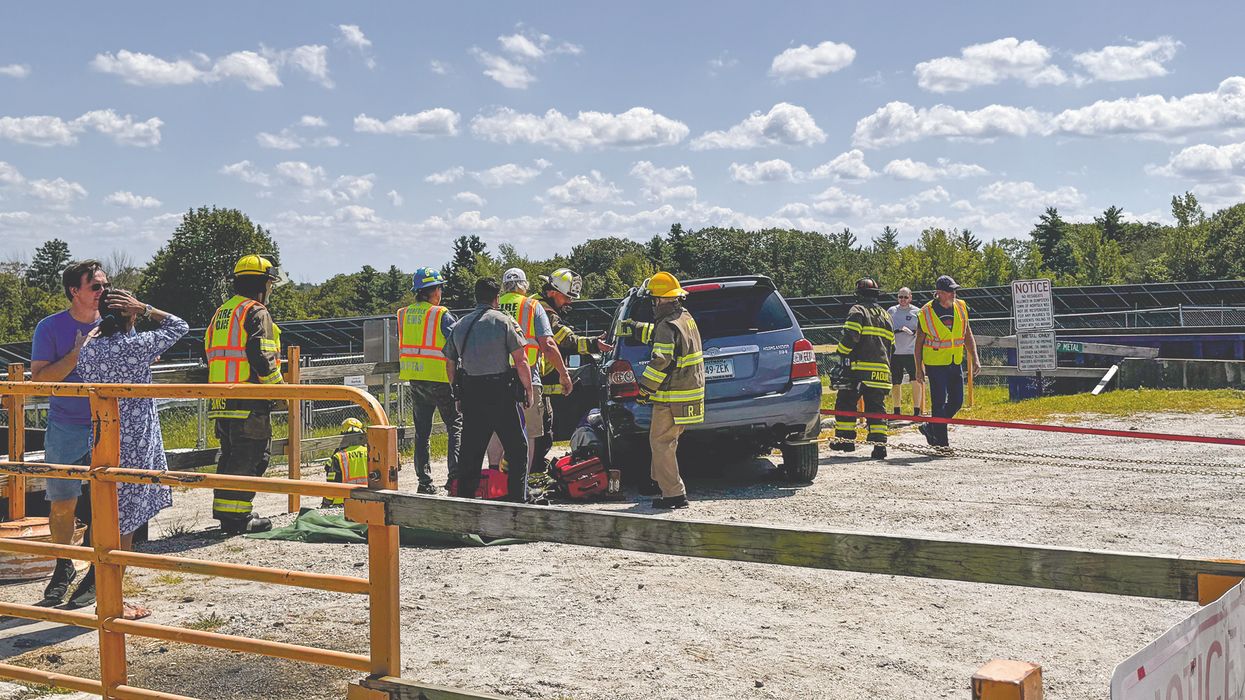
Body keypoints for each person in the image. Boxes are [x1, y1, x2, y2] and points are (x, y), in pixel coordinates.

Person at [77, 289, 188, 619]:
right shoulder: (136, 347)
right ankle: (112, 599)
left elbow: (89, 360)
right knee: (124, 526)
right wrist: (148, 307)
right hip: (136, 440)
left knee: (106, 515)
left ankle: (107, 593)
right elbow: (179, 326)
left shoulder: (90, 347)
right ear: (133, 315)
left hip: (102, 437)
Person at [30, 260, 107, 608]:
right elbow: (40, 380)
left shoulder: (116, 325)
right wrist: (77, 355)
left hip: (107, 424)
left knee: (106, 504)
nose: (102, 292)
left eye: (105, 286)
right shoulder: (50, 327)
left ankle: (96, 570)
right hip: (66, 425)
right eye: (96, 287)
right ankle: (63, 566)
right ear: (74, 291)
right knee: (63, 505)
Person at [204, 254, 285, 535]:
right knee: (252, 456)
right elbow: (260, 354)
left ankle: (229, 516)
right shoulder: (256, 311)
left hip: (222, 398)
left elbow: (210, 355)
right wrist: (279, 390)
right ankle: (238, 519)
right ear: (263, 284)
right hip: (249, 398)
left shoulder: (222, 312)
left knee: (230, 457)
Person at [445, 277, 535, 503]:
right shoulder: (504, 322)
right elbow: (521, 360)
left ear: (476, 297)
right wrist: (528, 390)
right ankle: (517, 500)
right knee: (517, 448)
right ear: (496, 299)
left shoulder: (460, 325)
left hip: (472, 393)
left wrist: (457, 393)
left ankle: (466, 502)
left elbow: (449, 362)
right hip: (500, 392)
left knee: (471, 453)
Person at [621, 271, 703, 510]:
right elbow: (662, 336)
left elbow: (661, 360)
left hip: (671, 396)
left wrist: (644, 389)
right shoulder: (684, 317)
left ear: (657, 300)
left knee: (661, 443)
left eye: (653, 300)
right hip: (686, 393)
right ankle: (658, 483)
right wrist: (634, 328)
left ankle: (674, 494)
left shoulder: (667, 324)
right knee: (665, 442)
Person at [487, 268, 570, 476]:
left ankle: (495, 475)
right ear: (525, 286)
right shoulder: (532, 306)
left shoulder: (493, 307)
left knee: (497, 430)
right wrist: (563, 373)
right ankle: (522, 479)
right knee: (530, 431)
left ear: (504, 286)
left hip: (495, 376)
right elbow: (548, 344)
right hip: (527, 376)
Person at [528, 268, 614, 471]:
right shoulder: (545, 312)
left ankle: (531, 469)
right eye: (567, 297)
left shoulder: (533, 304)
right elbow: (565, 339)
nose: (570, 303)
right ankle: (531, 472)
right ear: (552, 292)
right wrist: (594, 343)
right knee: (539, 431)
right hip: (534, 378)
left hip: (531, 376)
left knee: (540, 429)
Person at [397, 267, 459, 494]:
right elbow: (457, 342)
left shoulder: (404, 313)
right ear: (433, 291)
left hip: (415, 378)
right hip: (441, 379)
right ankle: (454, 479)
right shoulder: (441, 314)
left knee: (422, 432)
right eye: (440, 288)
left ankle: (424, 482)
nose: (441, 292)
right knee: (455, 426)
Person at [914, 275, 981, 450]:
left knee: (957, 401)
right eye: (950, 291)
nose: (954, 294)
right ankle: (942, 445)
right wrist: (918, 369)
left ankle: (931, 428)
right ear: (939, 293)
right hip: (935, 363)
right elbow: (918, 344)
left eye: (955, 290)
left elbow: (967, 334)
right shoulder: (926, 312)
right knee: (938, 403)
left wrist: (975, 357)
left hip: (955, 360)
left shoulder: (961, 307)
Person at [831, 278, 895, 459]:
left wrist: (841, 353)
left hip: (859, 370)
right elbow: (892, 346)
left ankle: (845, 441)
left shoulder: (857, 310)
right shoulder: (886, 315)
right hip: (882, 370)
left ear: (858, 295)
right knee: (877, 408)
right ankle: (879, 446)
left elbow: (851, 336)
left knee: (845, 402)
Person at [887, 287, 924, 416]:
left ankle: (916, 411)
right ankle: (896, 411)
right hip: (896, 352)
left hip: (911, 352)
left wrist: (913, 332)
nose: (903, 300)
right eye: (900, 297)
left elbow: (922, 330)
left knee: (915, 380)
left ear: (910, 297)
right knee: (895, 382)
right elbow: (886, 329)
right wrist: (897, 331)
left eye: (905, 297)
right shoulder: (891, 311)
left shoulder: (917, 312)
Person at [322, 418, 369, 507]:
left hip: (342, 502)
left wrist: (326, 502)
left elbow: (332, 481)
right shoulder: (371, 453)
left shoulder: (339, 456)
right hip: (368, 500)